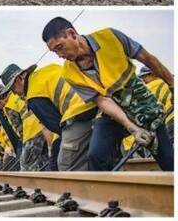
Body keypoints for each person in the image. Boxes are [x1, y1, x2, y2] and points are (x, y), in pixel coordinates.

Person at [42, 17, 174, 171]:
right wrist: (131, 127)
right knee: (97, 155)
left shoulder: (110, 37)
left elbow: (148, 59)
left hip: (141, 104)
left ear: (71, 34)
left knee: (167, 159)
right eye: (54, 51)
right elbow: (101, 100)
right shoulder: (69, 72)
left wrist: (172, 86)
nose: (59, 55)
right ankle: (109, 193)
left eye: (59, 47)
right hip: (111, 112)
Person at [0, 62, 98, 171]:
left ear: (18, 79)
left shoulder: (34, 95)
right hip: (95, 99)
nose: (14, 93)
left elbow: (55, 125)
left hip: (79, 112)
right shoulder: (47, 70)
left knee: (66, 164)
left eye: (12, 88)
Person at [138, 66, 174, 144]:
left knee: (166, 145)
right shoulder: (166, 81)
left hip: (171, 118)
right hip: (171, 115)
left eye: (144, 76)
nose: (143, 80)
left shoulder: (153, 85)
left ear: (153, 74)